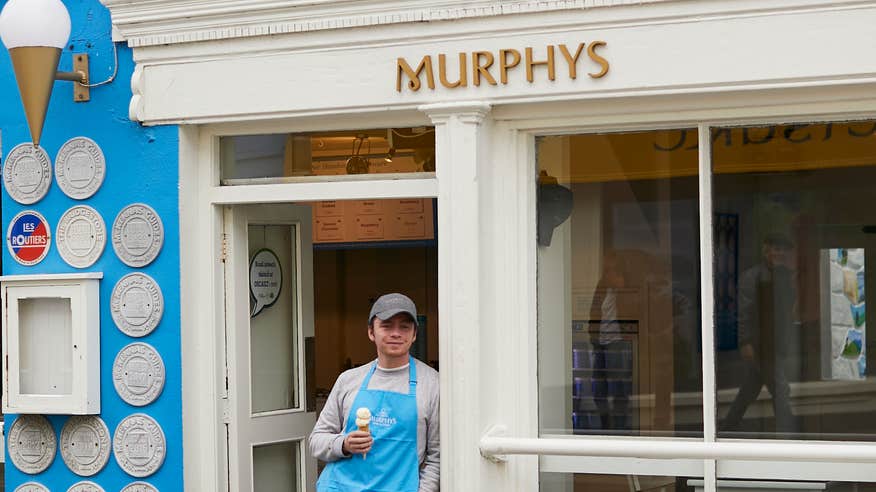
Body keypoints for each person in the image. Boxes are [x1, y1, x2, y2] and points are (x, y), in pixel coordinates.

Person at [310, 293, 439, 492]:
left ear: (414, 334)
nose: (396, 333)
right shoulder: (348, 380)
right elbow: (317, 440)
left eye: (404, 326)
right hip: (339, 486)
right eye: (386, 325)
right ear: (371, 332)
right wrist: (343, 444)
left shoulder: (432, 384)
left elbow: (436, 458)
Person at [722, 233, 800, 434]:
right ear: (766, 250)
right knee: (781, 389)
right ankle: (787, 434)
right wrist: (745, 341)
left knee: (750, 389)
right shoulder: (752, 277)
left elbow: (787, 310)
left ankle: (727, 427)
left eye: (783, 249)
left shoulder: (785, 276)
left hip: (777, 343)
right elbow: (744, 313)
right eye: (776, 248)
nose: (780, 253)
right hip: (760, 345)